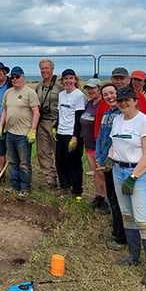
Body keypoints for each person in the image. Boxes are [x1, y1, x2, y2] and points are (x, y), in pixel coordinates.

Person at [105, 87, 146, 286]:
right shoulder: (118, 119)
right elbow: (115, 143)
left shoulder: (145, 122)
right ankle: (133, 256)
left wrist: (133, 176)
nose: (122, 103)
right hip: (119, 172)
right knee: (127, 215)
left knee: (143, 219)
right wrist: (110, 159)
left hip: (139, 174)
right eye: (120, 101)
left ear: (135, 100)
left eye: (127, 100)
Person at [94, 67, 146, 216]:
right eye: (116, 78)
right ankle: (120, 219)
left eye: (122, 79)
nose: (118, 81)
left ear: (127, 80)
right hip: (115, 153)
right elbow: (101, 127)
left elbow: (144, 118)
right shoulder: (110, 102)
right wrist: (102, 155)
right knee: (116, 191)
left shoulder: (136, 97)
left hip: (135, 150)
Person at [0, 66, 40, 200]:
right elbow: (4, 110)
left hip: (23, 134)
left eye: (17, 77)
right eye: (13, 77)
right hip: (10, 132)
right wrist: (0, 126)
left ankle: (25, 188)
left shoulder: (29, 93)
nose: (15, 79)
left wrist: (33, 130)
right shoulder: (8, 92)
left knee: (24, 162)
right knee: (13, 161)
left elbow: (36, 112)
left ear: (23, 77)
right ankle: (14, 185)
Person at [95, 84, 127, 251]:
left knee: (119, 200)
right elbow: (101, 137)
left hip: (117, 162)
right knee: (112, 199)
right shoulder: (107, 114)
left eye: (111, 93)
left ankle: (122, 237)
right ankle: (116, 230)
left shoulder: (122, 115)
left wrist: (109, 157)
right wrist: (99, 158)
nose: (109, 97)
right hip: (105, 162)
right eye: (105, 94)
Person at [55, 69, 86, 198]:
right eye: (66, 79)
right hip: (61, 132)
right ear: (62, 81)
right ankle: (64, 186)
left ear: (75, 80)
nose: (68, 81)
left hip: (72, 134)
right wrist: (55, 128)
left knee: (73, 162)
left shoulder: (79, 96)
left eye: (71, 78)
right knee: (60, 161)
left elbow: (79, 118)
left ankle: (76, 190)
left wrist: (75, 137)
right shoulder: (61, 95)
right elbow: (60, 113)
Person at [35, 58, 64, 189]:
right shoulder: (39, 86)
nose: (44, 71)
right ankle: (50, 180)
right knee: (43, 152)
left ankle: (62, 179)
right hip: (42, 122)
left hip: (56, 123)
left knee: (59, 152)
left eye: (46, 68)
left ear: (52, 69)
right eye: (42, 68)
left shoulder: (59, 87)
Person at [81, 78, 109, 214]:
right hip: (89, 145)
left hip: (100, 146)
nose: (91, 91)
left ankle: (109, 202)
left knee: (103, 174)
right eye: (88, 88)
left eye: (94, 88)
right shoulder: (89, 104)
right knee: (96, 173)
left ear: (100, 89)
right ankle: (100, 197)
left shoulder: (104, 104)